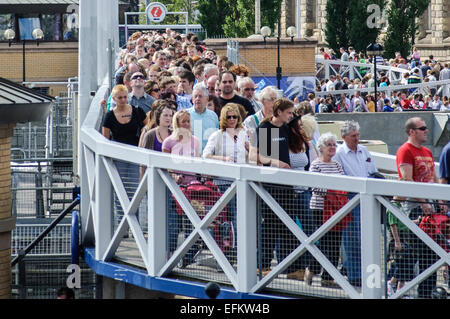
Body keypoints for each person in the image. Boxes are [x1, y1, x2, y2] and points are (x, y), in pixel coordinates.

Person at [396, 117, 445, 298]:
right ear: (412, 132)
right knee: (414, 252)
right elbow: (406, 180)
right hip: (414, 209)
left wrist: (437, 200)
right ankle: (397, 286)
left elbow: (431, 178)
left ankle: (427, 292)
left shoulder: (427, 151)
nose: (426, 130)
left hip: (429, 207)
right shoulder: (405, 150)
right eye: (422, 128)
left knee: (432, 254)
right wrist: (423, 202)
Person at [333, 120, 378, 286]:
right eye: (353, 136)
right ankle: (354, 274)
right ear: (344, 137)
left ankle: (367, 274)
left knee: (367, 237)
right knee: (351, 237)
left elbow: (373, 171)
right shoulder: (339, 153)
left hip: (368, 197)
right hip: (350, 198)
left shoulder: (364, 150)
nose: (357, 138)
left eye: (358, 135)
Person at [253, 98, 294, 277]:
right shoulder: (264, 128)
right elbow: (260, 157)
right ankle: (262, 264)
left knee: (286, 225)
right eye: (289, 113)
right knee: (270, 225)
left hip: (286, 184)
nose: (291, 116)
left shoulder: (286, 128)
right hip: (270, 184)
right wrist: (278, 163)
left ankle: (289, 267)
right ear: (279, 112)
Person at [102, 85, 147, 225]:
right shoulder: (109, 116)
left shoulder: (137, 111)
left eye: (125, 97)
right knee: (120, 190)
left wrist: (142, 141)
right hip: (118, 156)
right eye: (119, 98)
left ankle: (135, 224)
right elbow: (105, 139)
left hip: (134, 154)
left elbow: (147, 126)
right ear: (114, 99)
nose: (123, 100)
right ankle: (123, 224)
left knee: (134, 190)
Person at [305, 132, 346, 288]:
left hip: (336, 208)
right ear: (321, 148)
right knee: (324, 241)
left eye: (334, 145)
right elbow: (314, 186)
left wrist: (335, 193)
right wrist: (331, 192)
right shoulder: (315, 164)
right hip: (320, 208)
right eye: (328, 145)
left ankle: (328, 277)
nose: (332, 147)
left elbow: (343, 183)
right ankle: (312, 268)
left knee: (336, 241)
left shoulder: (336, 165)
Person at [283, 114, 318, 280]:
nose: (301, 128)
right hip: (288, 192)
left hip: (304, 192)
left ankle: (310, 266)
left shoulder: (305, 144)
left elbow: (310, 166)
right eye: (298, 125)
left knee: (310, 229)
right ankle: (292, 268)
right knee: (289, 232)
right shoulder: (282, 142)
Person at [243, 86, 277, 157]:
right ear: (263, 101)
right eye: (271, 99)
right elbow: (250, 144)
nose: (275, 102)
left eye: (276, 99)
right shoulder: (251, 120)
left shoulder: (279, 119)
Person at [188, 86, 219, 152]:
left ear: (207, 99)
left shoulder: (213, 116)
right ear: (192, 99)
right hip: (190, 155)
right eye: (195, 96)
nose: (197, 99)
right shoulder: (186, 115)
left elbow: (217, 138)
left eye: (200, 96)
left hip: (208, 156)